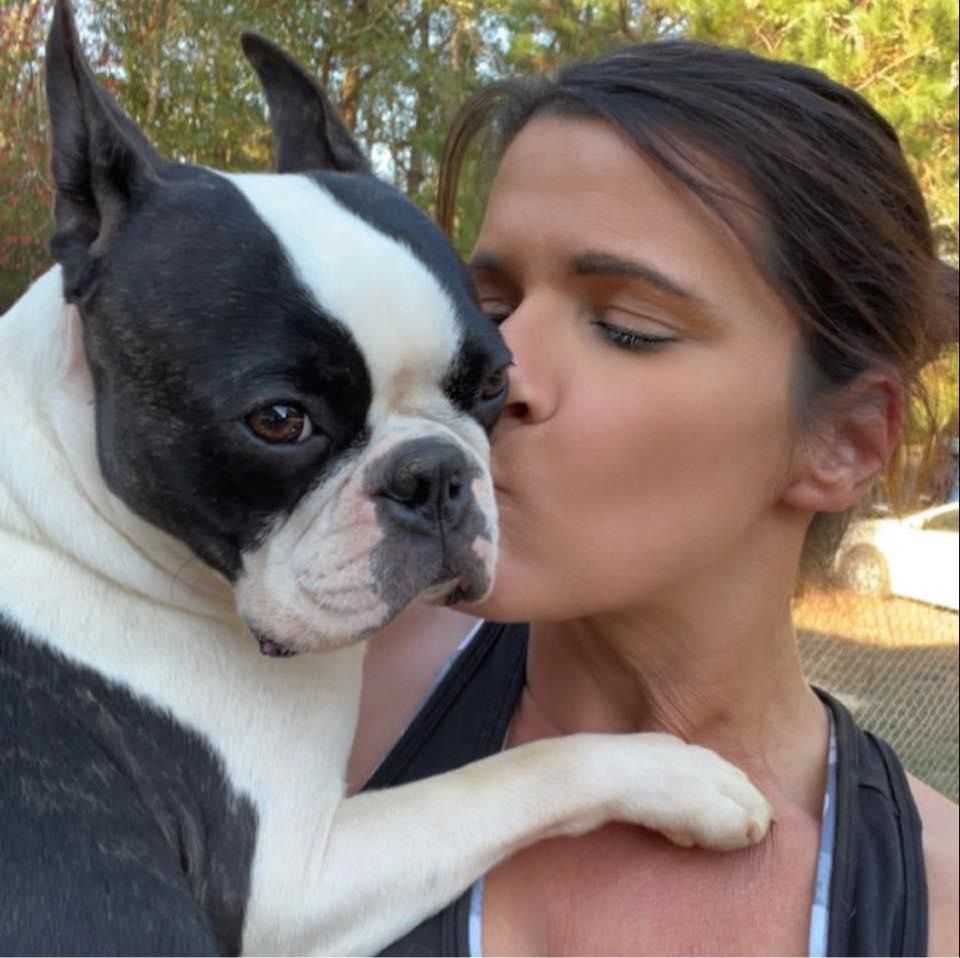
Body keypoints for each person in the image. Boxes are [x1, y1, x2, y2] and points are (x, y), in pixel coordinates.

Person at [347, 41, 960, 957]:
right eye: (491, 306)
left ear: (845, 442)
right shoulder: (313, 704)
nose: (492, 370)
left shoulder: (934, 908)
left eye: (625, 328)